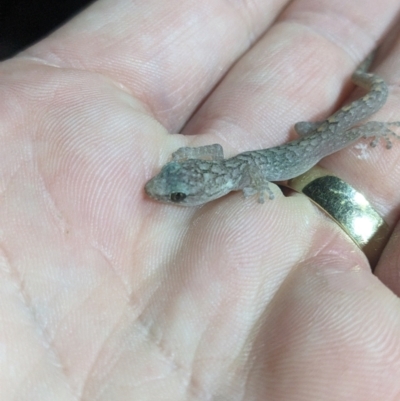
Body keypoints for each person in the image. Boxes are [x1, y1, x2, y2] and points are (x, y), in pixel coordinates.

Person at [1, 0, 400, 399]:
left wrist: (256, 185)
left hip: (316, 144)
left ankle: (375, 122)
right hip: (301, 142)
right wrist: (190, 159)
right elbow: (216, 156)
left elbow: (246, 169)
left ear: (203, 191)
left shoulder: (238, 175)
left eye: (176, 195)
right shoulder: (225, 169)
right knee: (306, 129)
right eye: (172, 190)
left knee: (334, 131)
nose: (165, 196)